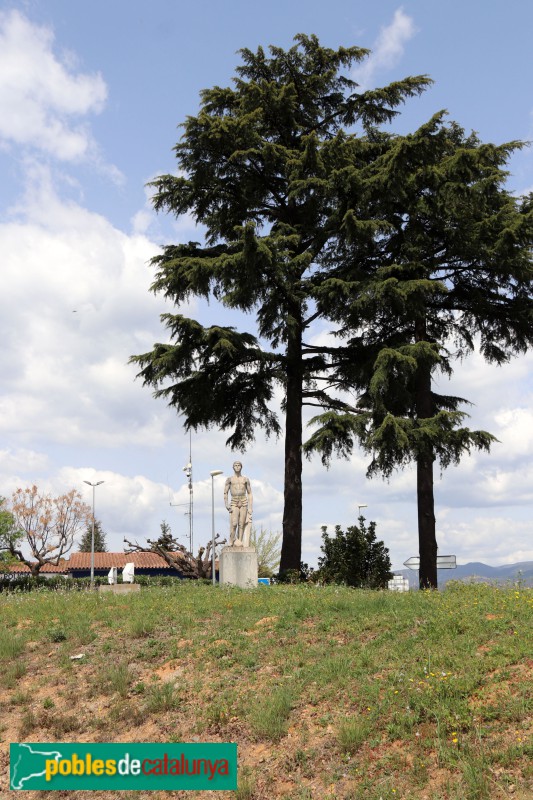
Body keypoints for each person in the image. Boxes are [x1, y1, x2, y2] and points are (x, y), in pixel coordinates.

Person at [224, 461, 253, 546]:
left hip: (244, 501)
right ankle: (231, 540)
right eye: (235, 465)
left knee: (242, 523)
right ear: (233, 467)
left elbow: (250, 493)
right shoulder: (229, 479)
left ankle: (240, 541)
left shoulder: (245, 479)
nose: (237, 467)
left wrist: (250, 507)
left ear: (241, 467)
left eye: (239, 465)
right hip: (234, 501)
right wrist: (226, 504)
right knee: (234, 523)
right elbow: (225, 492)